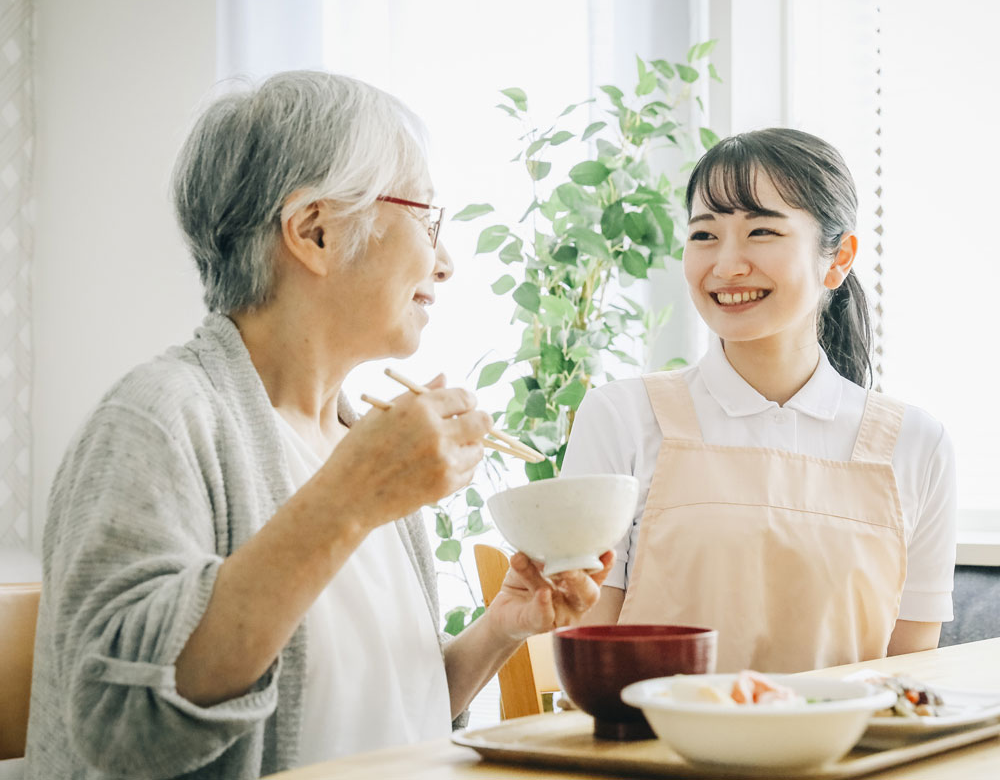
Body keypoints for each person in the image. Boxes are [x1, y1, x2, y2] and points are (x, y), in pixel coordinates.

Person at [25, 71, 613, 780]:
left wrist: (499, 629)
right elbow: (126, 729)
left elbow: (386, 717)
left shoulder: (353, 436)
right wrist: (352, 496)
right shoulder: (158, 419)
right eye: (429, 219)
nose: (447, 261)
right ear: (314, 231)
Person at [562, 128, 956, 673]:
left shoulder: (917, 443)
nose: (726, 265)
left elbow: (909, 672)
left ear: (838, 258)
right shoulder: (622, 418)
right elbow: (591, 655)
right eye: (704, 235)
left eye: (762, 231)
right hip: (654, 751)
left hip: (845, 754)